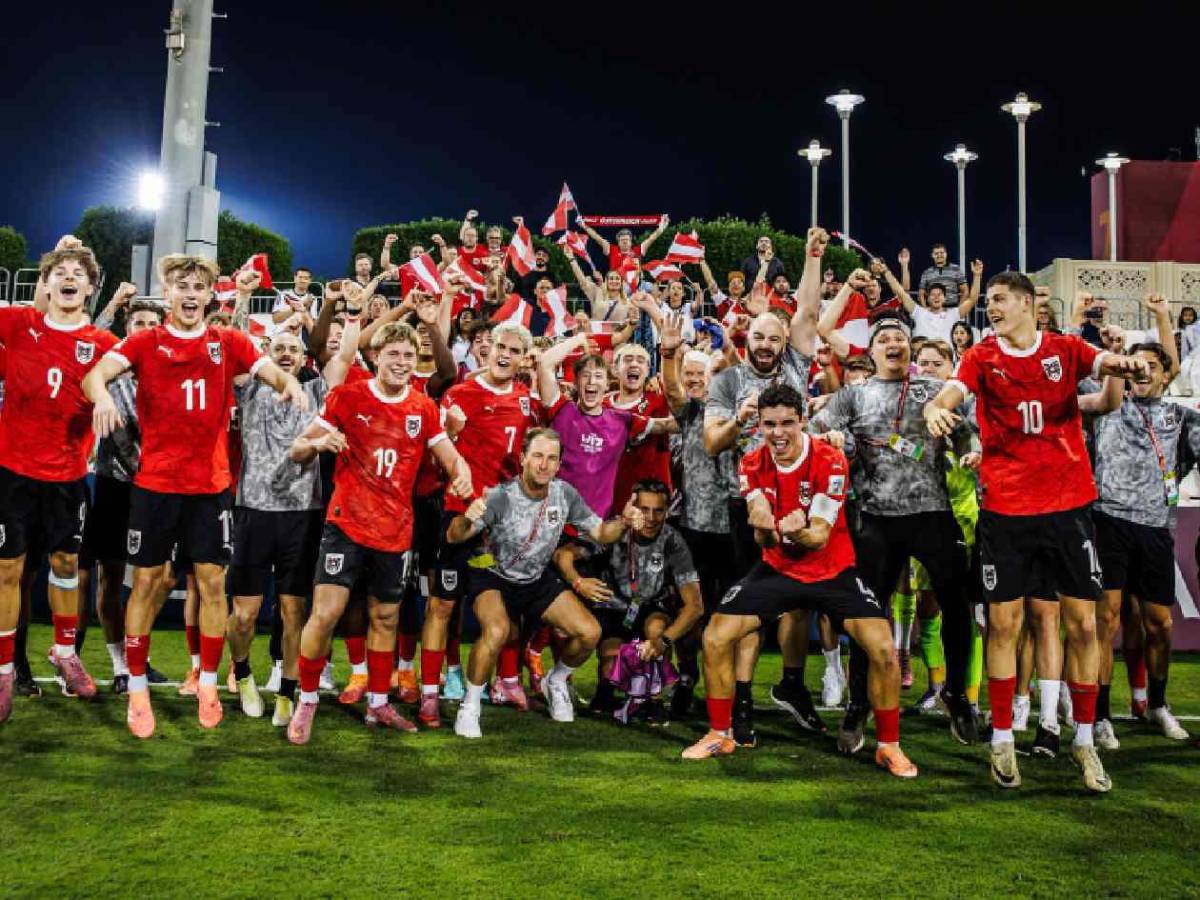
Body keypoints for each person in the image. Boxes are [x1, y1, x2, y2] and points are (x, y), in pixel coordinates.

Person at [924, 270, 1148, 793]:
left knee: (1083, 627)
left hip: (1069, 509)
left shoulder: (1064, 349)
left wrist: (1127, 360)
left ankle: (1085, 741)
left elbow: (1108, 369)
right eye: (991, 301)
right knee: (1002, 627)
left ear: (1027, 303)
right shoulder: (982, 356)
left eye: (1001, 299)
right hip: (1006, 511)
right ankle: (1002, 738)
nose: (993, 307)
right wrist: (936, 407)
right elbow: (951, 394)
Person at [83, 253, 308, 739]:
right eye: (181, 285)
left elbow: (270, 370)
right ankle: (138, 690)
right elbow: (94, 374)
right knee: (144, 584)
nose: (189, 294)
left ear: (210, 295)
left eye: (198, 286)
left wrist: (290, 382)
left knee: (211, 584)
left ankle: (208, 681)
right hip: (155, 486)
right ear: (168, 293)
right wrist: (101, 394)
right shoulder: (145, 340)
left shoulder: (228, 341)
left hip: (209, 489)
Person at [681, 384, 917, 777]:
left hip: (833, 570)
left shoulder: (831, 460)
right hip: (778, 569)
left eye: (787, 423)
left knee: (883, 650)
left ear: (802, 421)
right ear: (759, 424)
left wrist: (797, 531)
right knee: (715, 637)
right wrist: (768, 531)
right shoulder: (752, 462)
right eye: (769, 424)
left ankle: (889, 746)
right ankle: (719, 733)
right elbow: (761, 525)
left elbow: (820, 535)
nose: (778, 432)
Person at [284, 322, 472, 745]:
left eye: (408, 356)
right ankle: (307, 700)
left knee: (386, 617)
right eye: (394, 355)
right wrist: (318, 443)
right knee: (326, 613)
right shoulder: (347, 397)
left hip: (394, 530)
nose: (402, 363)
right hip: (345, 524)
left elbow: (451, 456)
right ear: (376, 357)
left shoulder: (423, 408)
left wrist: (462, 474)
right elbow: (296, 450)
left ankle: (377, 703)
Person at [811, 317, 981, 751]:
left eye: (900, 338)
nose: (893, 344)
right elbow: (814, 433)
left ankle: (957, 695)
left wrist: (970, 453)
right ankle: (859, 706)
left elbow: (965, 433)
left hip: (933, 513)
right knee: (869, 614)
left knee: (956, 606)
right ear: (871, 352)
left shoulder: (930, 390)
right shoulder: (853, 395)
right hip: (876, 519)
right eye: (883, 338)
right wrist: (832, 437)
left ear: (909, 347)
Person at [703, 226, 824, 743]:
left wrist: (813, 257)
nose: (770, 345)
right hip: (744, 504)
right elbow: (711, 443)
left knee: (798, 600)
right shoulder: (727, 381)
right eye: (761, 338)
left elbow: (811, 315)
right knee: (745, 606)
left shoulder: (796, 364)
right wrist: (739, 420)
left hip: (797, 502)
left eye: (776, 338)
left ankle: (790, 685)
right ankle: (743, 699)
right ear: (745, 340)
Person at [447, 428, 643, 738]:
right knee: (497, 630)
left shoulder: (565, 495)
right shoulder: (501, 497)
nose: (544, 464)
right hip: (493, 576)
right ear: (523, 459)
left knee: (590, 632)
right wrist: (465, 514)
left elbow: (602, 533)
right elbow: (455, 535)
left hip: (536, 579)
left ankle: (556, 679)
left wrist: (625, 521)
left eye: (552, 458)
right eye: (537, 456)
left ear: (559, 464)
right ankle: (470, 706)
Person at [0, 238, 120, 717]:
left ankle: (65, 653)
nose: (69, 277)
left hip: (69, 475)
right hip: (12, 473)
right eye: (59, 271)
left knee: (67, 566)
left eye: (78, 273)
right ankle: (4, 671)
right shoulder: (17, 323)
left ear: (91, 288)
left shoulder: (104, 345)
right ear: (44, 283)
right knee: (8, 570)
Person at [421, 322, 542, 725]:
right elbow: (436, 450)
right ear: (486, 350)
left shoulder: (527, 401)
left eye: (513, 350)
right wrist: (451, 435)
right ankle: (429, 692)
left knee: (505, 608)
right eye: (499, 346)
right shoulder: (460, 394)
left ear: (524, 358)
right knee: (441, 605)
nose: (504, 354)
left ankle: (505, 680)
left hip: (503, 527)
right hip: (461, 516)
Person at [1086, 294, 1194, 745]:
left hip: (1155, 526)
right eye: (1137, 365)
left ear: (1167, 375)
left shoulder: (1182, 417)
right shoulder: (1107, 406)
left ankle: (1159, 704)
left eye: (1154, 365)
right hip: (1107, 522)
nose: (1145, 370)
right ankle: (1099, 715)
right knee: (1105, 620)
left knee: (1160, 623)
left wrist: (1162, 319)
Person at [223, 329, 343, 726]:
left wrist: (355, 314)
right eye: (279, 349)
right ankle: (241, 674)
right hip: (253, 511)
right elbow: (227, 347)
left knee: (294, 611)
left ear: (304, 357)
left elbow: (346, 354)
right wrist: (241, 297)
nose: (287, 354)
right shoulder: (249, 390)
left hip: (302, 515)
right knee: (244, 614)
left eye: (294, 349)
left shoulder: (319, 391)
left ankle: (287, 693)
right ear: (265, 355)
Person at [80, 289, 173, 694]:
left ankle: (138, 654)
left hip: (161, 489)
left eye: (155, 325)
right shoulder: (111, 374)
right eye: (140, 324)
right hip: (119, 487)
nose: (148, 330)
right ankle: (122, 666)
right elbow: (118, 436)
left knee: (164, 578)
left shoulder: (172, 373)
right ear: (127, 330)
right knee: (110, 579)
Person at [553, 479, 703, 722]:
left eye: (659, 510)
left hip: (652, 608)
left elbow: (695, 605)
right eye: (644, 509)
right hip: (614, 611)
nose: (651, 518)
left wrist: (663, 642)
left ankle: (653, 700)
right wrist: (579, 582)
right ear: (633, 507)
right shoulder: (614, 531)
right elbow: (563, 555)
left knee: (657, 628)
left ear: (668, 510)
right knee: (610, 667)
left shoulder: (673, 541)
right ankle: (606, 689)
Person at [579, 216, 669, 273]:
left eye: (627, 239)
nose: (625, 242)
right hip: (616, 284)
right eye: (622, 240)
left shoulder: (637, 250)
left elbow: (651, 238)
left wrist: (662, 228)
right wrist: (584, 226)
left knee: (651, 288)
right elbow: (597, 237)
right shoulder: (612, 249)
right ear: (618, 242)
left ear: (631, 241)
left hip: (633, 285)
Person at [917, 243, 968, 307]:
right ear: (932, 255)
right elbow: (921, 293)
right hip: (933, 311)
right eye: (936, 253)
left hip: (952, 309)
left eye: (942, 253)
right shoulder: (926, 272)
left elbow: (965, 291)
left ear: (946, 254)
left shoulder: (956, 269)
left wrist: (958, 310)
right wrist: (925, 310)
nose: (939, 255)